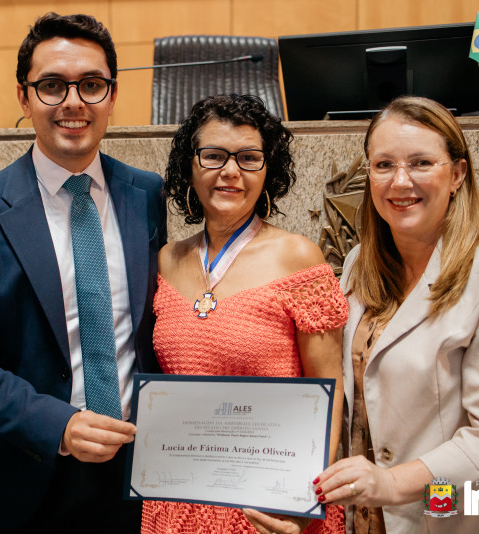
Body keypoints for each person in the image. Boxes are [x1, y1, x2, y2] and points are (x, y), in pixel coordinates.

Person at [0, 12, 167, 534]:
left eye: (91, 85)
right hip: (29, 473)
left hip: (139, 472)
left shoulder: (147, 195)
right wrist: (59, 425)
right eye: (51, 86)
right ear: (24, 97)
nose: (73, 102)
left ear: (111, 94)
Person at [304, 96, 479, 533]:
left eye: (421, 163)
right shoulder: (359, 264)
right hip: (367, 519)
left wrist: (391, 483)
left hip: (456, 520)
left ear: (457, 174)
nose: (400, 182)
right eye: (383, 165)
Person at [141, 94, 347, 534]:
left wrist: (300, 499)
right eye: (213, 155)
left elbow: (328, 392)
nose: (231, 172)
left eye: (249, 158)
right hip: (178, 498)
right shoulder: (167, 260)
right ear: (189, 166)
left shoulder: (297, 257)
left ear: (267, 170)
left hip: (268, 504)